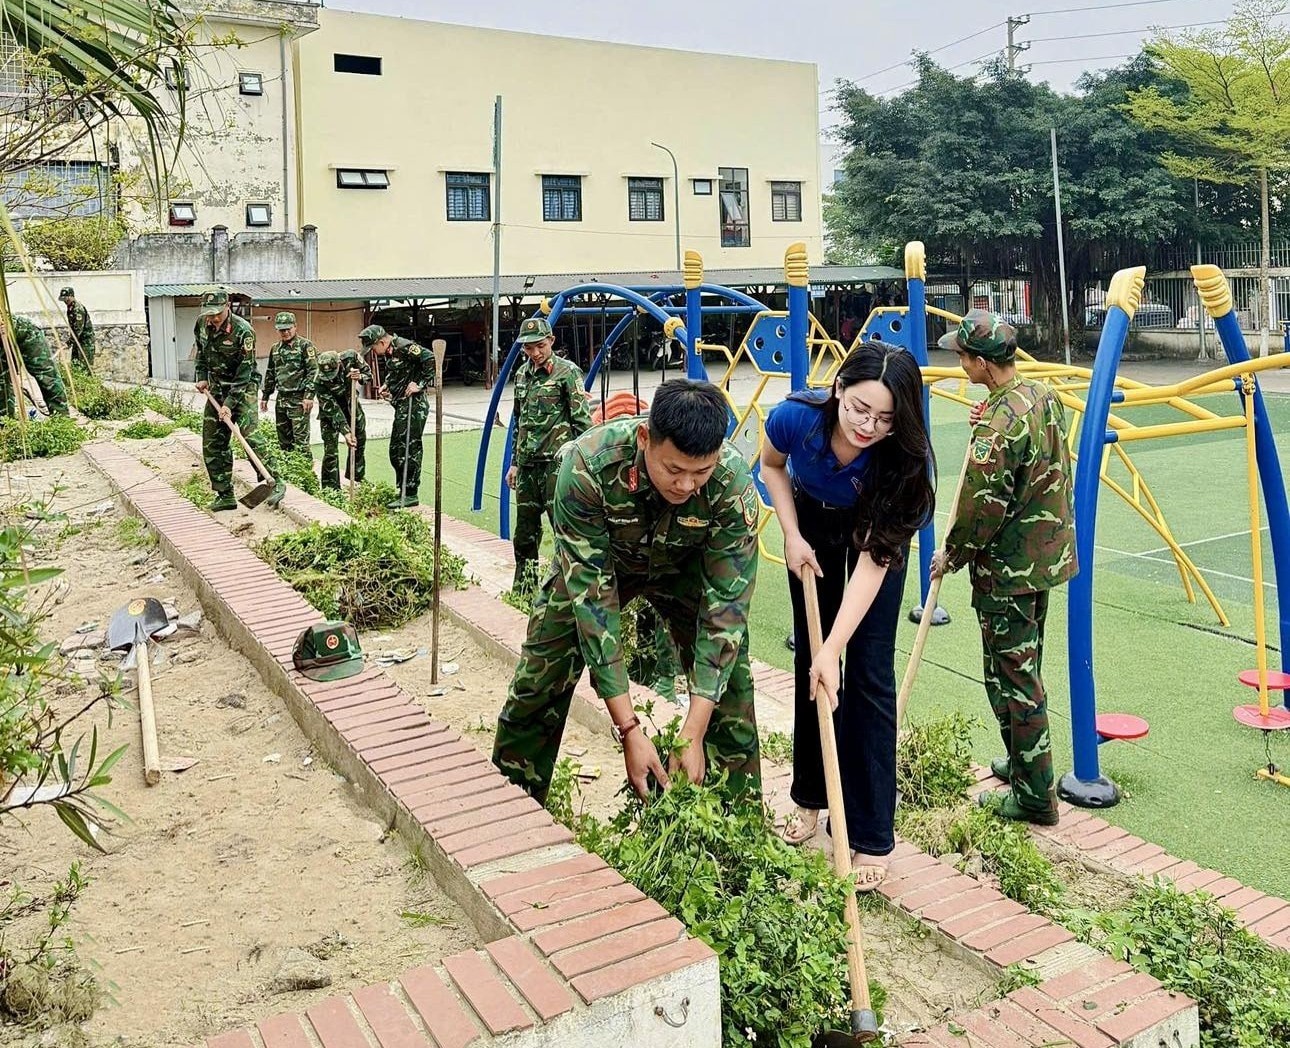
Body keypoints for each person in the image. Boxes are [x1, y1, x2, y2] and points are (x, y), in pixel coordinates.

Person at [493, 378, 762, 803]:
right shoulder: (587, 467)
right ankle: (514, 803)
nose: (687, 486)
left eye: (701, 472)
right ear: (644, 439)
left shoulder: (731, 484)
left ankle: (733, 827)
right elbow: (594, 602)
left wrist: (692, 731)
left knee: (730, 686)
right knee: (541, 675)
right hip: (603, 564)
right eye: (674, 469)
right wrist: (629, 730)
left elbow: (725, 608)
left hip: (684, 568)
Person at [760, 341, 935, 888]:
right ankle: (810, 799)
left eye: (884, 418)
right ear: (837, 389)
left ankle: (870, 835)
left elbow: (874, 562)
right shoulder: (795, 418)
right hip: (811, 526)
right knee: (810, 673)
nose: (868, 425)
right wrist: (791, 536)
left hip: (872, 541)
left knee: (865, 676)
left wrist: (835, 646)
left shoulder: (905, 465)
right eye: (859, 408)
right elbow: (770, 467)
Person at [931, 310, 1076, 826]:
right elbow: (1036, 448)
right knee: (1024, 665)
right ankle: (1023, 764)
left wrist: (951, 553)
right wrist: (990, 414)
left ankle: (1036, 796)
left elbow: (980, 508)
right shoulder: (1039, 396)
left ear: (982, 363)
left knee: (1011, 676)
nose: (959, 363)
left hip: (1007, 572)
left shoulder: (998, 426)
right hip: (1045, 559)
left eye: (962, 356)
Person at [506, 315, 593, 593]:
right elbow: (519, 423)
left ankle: (569, 588)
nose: (535, 353)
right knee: (525, 533)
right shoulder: (522, 375)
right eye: (529, 348)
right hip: (529, 467)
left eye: (540, 346)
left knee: (564, 529)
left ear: (551, 341)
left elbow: (582, 423)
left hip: (559, 465)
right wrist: (514, 464)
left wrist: (584, 467)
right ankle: (524, 587)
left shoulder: (568, 373)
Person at [193, 289, 284, 511]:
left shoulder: (244, 332)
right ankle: (225, 494)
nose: (213, 318)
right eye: (209, 313)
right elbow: (201, 354)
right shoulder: (202, 324)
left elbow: (244, 374)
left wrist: (229, 406)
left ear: (227, 306)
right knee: (212, 440)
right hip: (217, 387)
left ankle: (276, 481)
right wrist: (202, 377)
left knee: (248, 433)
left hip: (244, 387)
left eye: (217, 313)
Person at [361, 324, 434, 507]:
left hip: (414, 406)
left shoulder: (405, 347)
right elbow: (398, 372)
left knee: (409, 449)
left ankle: (410, 493)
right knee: (396, 450)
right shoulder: (390, 352)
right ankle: (402, 488)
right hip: (402, 406)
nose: (373, 352)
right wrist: (388, 385)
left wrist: (420, 383)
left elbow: (430, 359)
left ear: (383, 341)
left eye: (373, 348)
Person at [260, 311, 318, 456]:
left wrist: (309, 396)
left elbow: (314, 371)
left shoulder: (305, 346)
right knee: (284, 442)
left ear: (295, 327)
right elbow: (271, 373)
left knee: (301, 442)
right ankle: (288, 474)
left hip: (299, 399)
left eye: (288, 329)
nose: (285, 332)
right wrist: (266, 396)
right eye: (281, 329)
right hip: (282, 399)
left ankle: (305, 474)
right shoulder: (275, 349)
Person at [315, 348, 372, 490]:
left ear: (339, 363)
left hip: (351, 404)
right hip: (330, 412)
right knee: (330, 449)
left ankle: (356, 476)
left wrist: (360, 377)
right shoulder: (318, 381)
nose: (331, 378)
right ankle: (331, 488)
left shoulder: (351, 357)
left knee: (360, 439)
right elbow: (332, 409)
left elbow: (368, 375)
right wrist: (346, 432)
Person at [1, 315, 70, 416]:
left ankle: (62, 418)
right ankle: (5, 422)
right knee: (2, 382)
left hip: (24, 333)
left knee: (46, 377)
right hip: (3, 341)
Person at [59, 287, 94, 369]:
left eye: (66, 299)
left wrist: (68, 343)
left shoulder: (78, 309)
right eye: (63, 299)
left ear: (71, 296)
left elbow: (78, 329)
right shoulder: (70, 307)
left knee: (84, 367)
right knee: (75, 365)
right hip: (77, 341)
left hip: (85, 343)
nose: (65, 301)